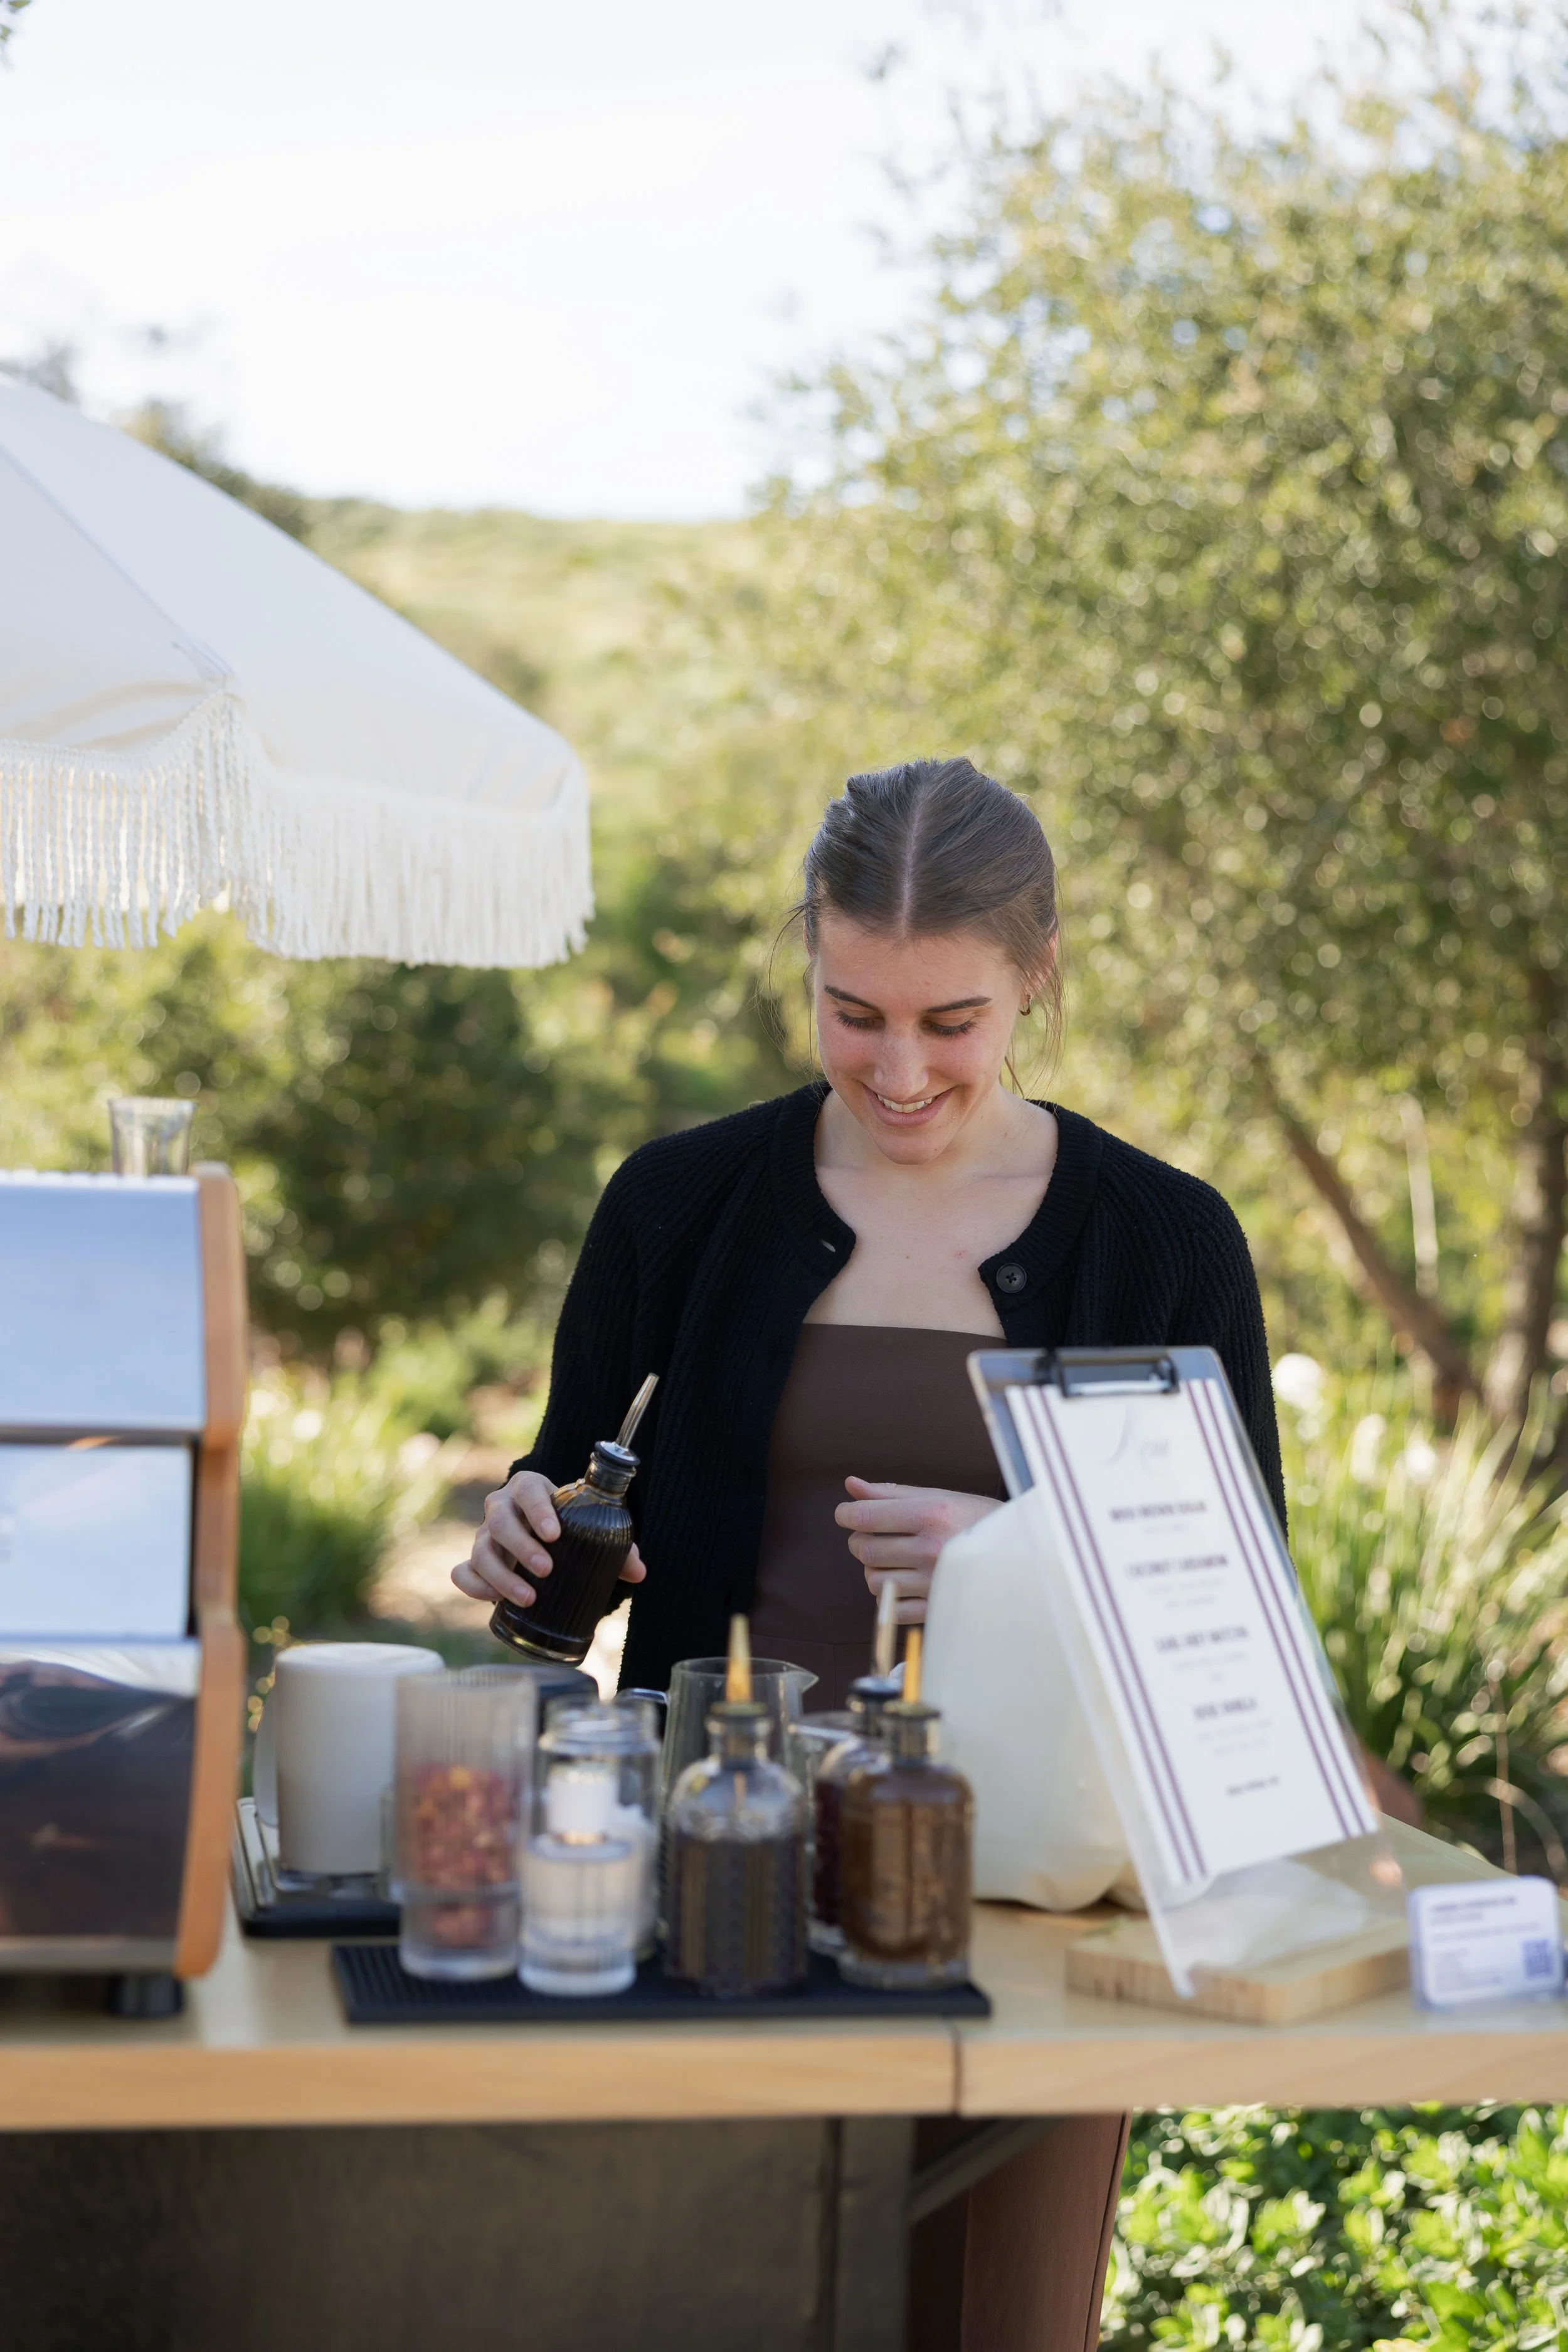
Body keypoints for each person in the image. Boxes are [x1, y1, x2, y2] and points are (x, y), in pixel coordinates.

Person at [455, 756, 1284, 2352]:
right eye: (854, 1012)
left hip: (1031, 1929)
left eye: (948, 1022)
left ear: (1034, 977)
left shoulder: (1166, 1240)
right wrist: (522, 1526)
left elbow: (1237, 1627)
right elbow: (565, 1478)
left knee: (988, 2317)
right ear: (808, 962)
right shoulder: (676, 1205)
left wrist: (1018, 1557)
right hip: (707, 1898)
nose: (895, 1070)